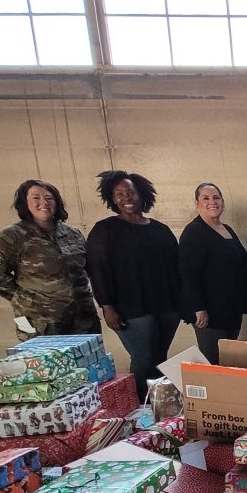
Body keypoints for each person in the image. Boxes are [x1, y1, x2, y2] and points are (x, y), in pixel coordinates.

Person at [86, 170, 180, 402]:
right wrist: (107, 306)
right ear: (112, 198)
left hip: (167, 306)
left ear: (142, 194)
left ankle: (160, 405)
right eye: (119, 193)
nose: (126, 197)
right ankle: (140, 405)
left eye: (131, 192)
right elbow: (97, 270)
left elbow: (177, 268)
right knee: (144, 357)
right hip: (130, 308)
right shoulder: (105, 230)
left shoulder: (160, 230)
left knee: (160, 356)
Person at [0, 179, 101, 341]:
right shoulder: (10, 237)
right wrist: (26, 300)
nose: (43, 203)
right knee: (47, 366)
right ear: (24, 202)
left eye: (49, 198)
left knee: (87, 363)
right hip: (40, 322)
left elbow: (87, 270)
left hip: (82, 318)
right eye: (36, 198)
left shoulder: (72, 233)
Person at [177, 183, 247, 364]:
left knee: (227, 360)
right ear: (197, 203)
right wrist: (199, 308)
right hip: (209, 312)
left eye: (216, 198)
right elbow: (188, 274)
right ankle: (214, 393)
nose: (212, 202)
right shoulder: (194, 231)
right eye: (206, 198)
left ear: (222, 202)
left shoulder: (227, 229)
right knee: (212, 361)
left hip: (231, 308)